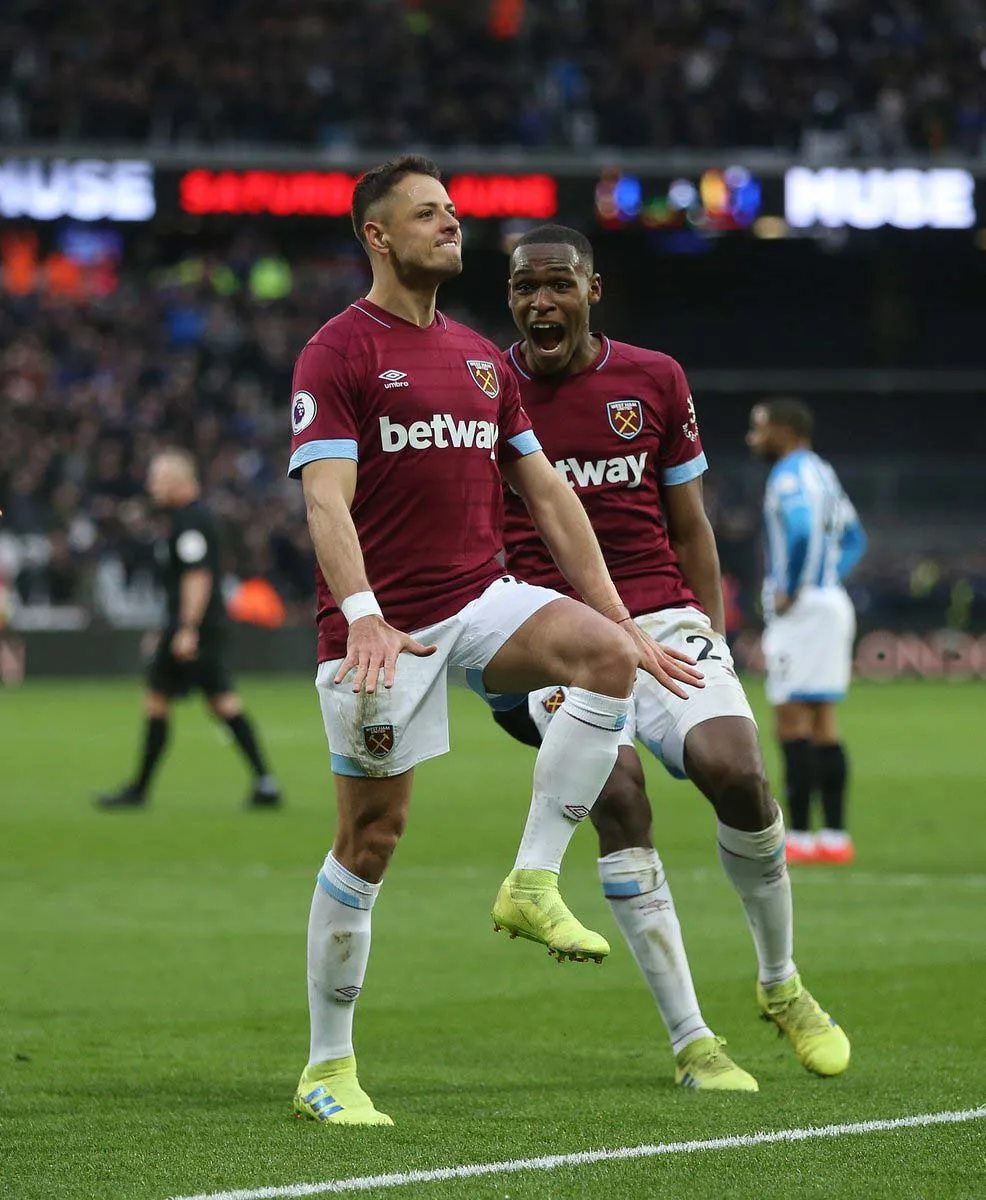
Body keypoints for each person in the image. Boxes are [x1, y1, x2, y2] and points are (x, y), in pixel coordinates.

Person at [287, 157, 702, 1127]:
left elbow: (548, 495)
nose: (450, 224)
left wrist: (619, 621)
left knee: (599, 657)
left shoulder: (479, 359)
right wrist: (360, 615)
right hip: (379, 631)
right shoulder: (338, 352)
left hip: (477, 598)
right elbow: (322, 497)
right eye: (427, 214)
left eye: (451, 211)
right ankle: (326, 1068)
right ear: (376, 237)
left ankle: (529, 880)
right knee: (370, 839)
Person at [491, 224, 851, 1090]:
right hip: (552, 630)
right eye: (524, 289)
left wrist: (711, 632)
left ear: (592, 290)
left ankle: (781, 983)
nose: (542, 302)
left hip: (661, 611)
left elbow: (688, 522)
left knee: (736, 771)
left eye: (558, 286)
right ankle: (693, 1041)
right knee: (617, 790)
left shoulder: (655, 379)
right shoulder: (484, 387)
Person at [96, 449, 282, 810]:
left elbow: (198, 577)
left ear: (179, 480)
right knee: (201, 700)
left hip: (196, 627)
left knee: (179, 699)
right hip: (192, 625)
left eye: (158, 478)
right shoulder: (187, 519)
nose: (151, 485)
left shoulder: (190, 522)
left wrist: (185, 628)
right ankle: (264, 782)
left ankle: (140, 790)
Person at [747, 399, 867, 864]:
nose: (753, 438)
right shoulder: (824, 472)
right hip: (832, 603)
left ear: (783, 430)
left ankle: (797, 836)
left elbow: (798, 531)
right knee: (824, 724)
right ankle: (835, 838)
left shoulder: (790, 475)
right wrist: (829, 575)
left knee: (790, 721)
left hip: (804, 612)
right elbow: (856, 538)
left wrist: (794, 588)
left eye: (758, 429)